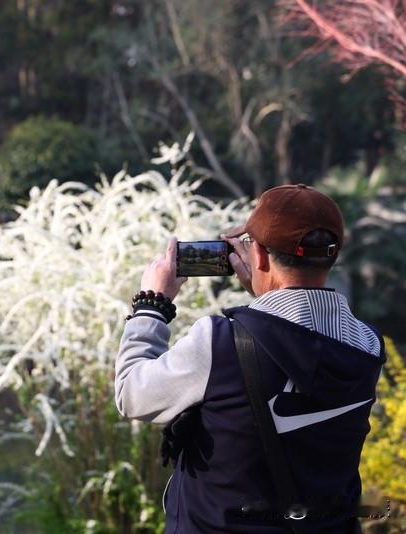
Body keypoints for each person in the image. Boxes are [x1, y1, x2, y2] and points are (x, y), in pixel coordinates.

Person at [114, 184, 385, 533]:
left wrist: (151, 305)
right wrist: (267, 294)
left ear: (258, 256)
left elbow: (132, 394)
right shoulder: (367, 346)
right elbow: (300, 345)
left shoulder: (222, 342)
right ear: (333, 255)